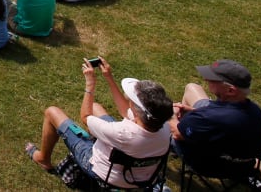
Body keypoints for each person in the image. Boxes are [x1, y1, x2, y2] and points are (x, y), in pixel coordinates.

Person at [25, 57, 173, 187]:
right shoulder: (163, 126)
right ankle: (96, 135)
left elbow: (85, 117)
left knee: (52, 112)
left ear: (136, 109)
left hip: (103, 171)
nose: (129, 100)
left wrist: (90, 83)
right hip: (141, 176)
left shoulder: (121, 133)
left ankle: (43, 159)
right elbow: (123, 111)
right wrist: (109, 77)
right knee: (96, 107)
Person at [171, 59, 261, 180]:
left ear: (230, 90)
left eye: (213, 80)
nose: (206, 80)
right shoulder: (253, 109)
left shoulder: (213, 118)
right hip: (244, 163)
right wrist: (195, 113)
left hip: (208, 164)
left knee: (151, 120)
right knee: (192, 87)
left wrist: (171, 114)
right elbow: (218, 122)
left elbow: (177, 133)